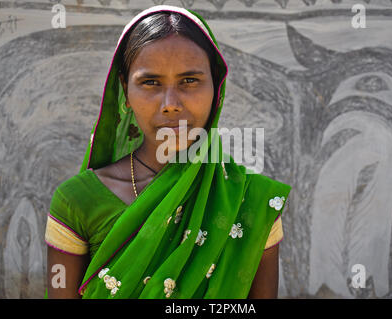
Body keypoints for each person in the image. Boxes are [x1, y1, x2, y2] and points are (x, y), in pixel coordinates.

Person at [45, 5, 291, 299]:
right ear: (125, 91)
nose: (171, 103)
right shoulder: (78, 201)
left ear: (216, 89)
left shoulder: (249, 201)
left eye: (189, 81)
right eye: (150, 82)